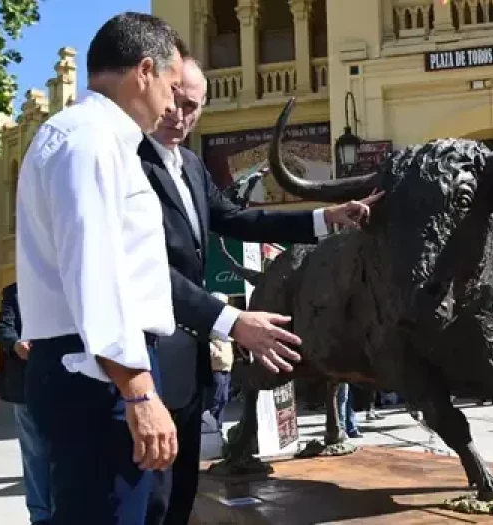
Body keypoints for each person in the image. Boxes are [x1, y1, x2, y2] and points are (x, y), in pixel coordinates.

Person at [137, 57, 379, 525]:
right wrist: (231, 322)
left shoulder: (189, 165)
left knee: (179, 498)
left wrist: (324, 219)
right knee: (147, 498)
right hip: (144, 361)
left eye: (192, 107)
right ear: (158, 91)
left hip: (188, 365)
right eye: (173, 102)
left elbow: (242, 219)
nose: (179, 116)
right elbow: (147, 271)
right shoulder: (126, 164)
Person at [15, 12, 187, 525]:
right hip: (100, 376)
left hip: (103, 370)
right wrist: (139, 393)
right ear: (145, 71)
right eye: (172, 87)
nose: (173, 103)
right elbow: (97, 274)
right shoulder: (88, 141)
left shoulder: (99, 140)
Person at [0, 283, 52, 525]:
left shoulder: (71, 281)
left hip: (67, 384)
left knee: (65, 452)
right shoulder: (15, 291)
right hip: (27, 387)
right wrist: (16, 344)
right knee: (35, 454)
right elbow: (2, 329)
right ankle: (41, 517)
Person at [207, 293, 234, 429]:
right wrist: (215, 352)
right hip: (216, 367)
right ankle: (211, 427)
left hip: (225, 367)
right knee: (215, 400)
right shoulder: (211, 320)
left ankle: (219, 427)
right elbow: (207, 338)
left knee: (223, 399)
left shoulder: (224, 321)